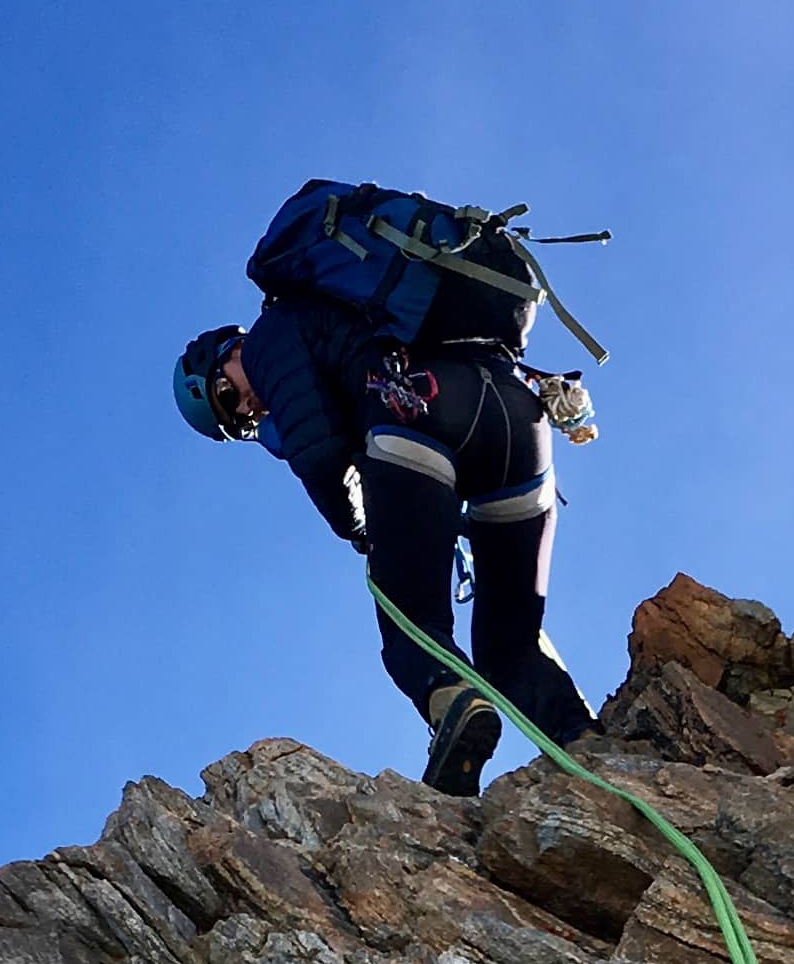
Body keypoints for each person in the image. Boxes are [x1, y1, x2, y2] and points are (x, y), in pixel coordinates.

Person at [175, 210, 596, 797]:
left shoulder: (272, 337)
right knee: (510, 644)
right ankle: (590, 749)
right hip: (519, 420)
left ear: (226, 351)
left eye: (228, 395)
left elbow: (320, 455)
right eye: (238, 421)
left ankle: (456, 706)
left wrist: (363, 533)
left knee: (410, 622)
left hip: (416, 414)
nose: (248, 408)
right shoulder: (360, 311)